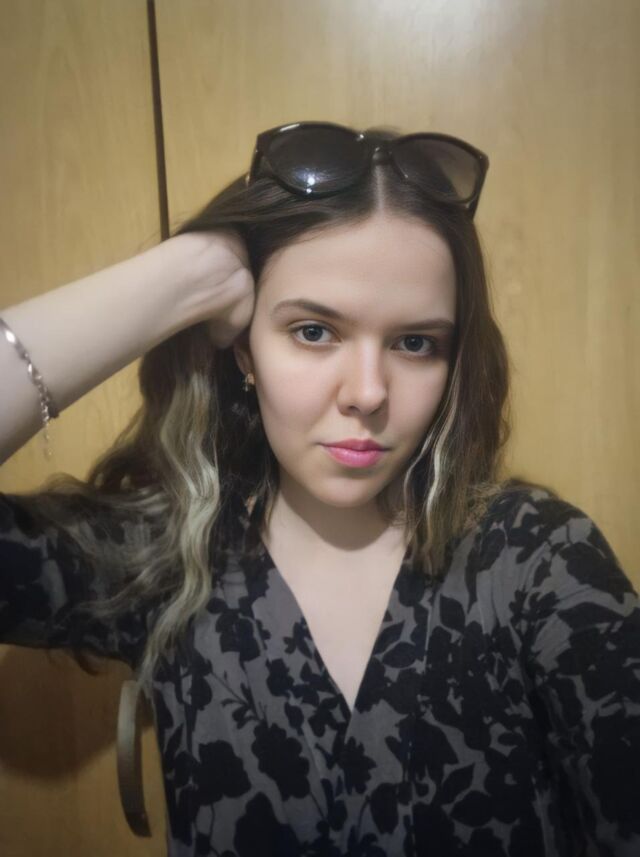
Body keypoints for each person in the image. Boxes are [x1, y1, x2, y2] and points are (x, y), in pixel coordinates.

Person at [1, 121, 638, 856]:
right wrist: (187, 273)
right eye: (313, 331)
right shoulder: (170, 559)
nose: (367, 393)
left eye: (415, 343)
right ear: (244, 352)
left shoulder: (537, 560)